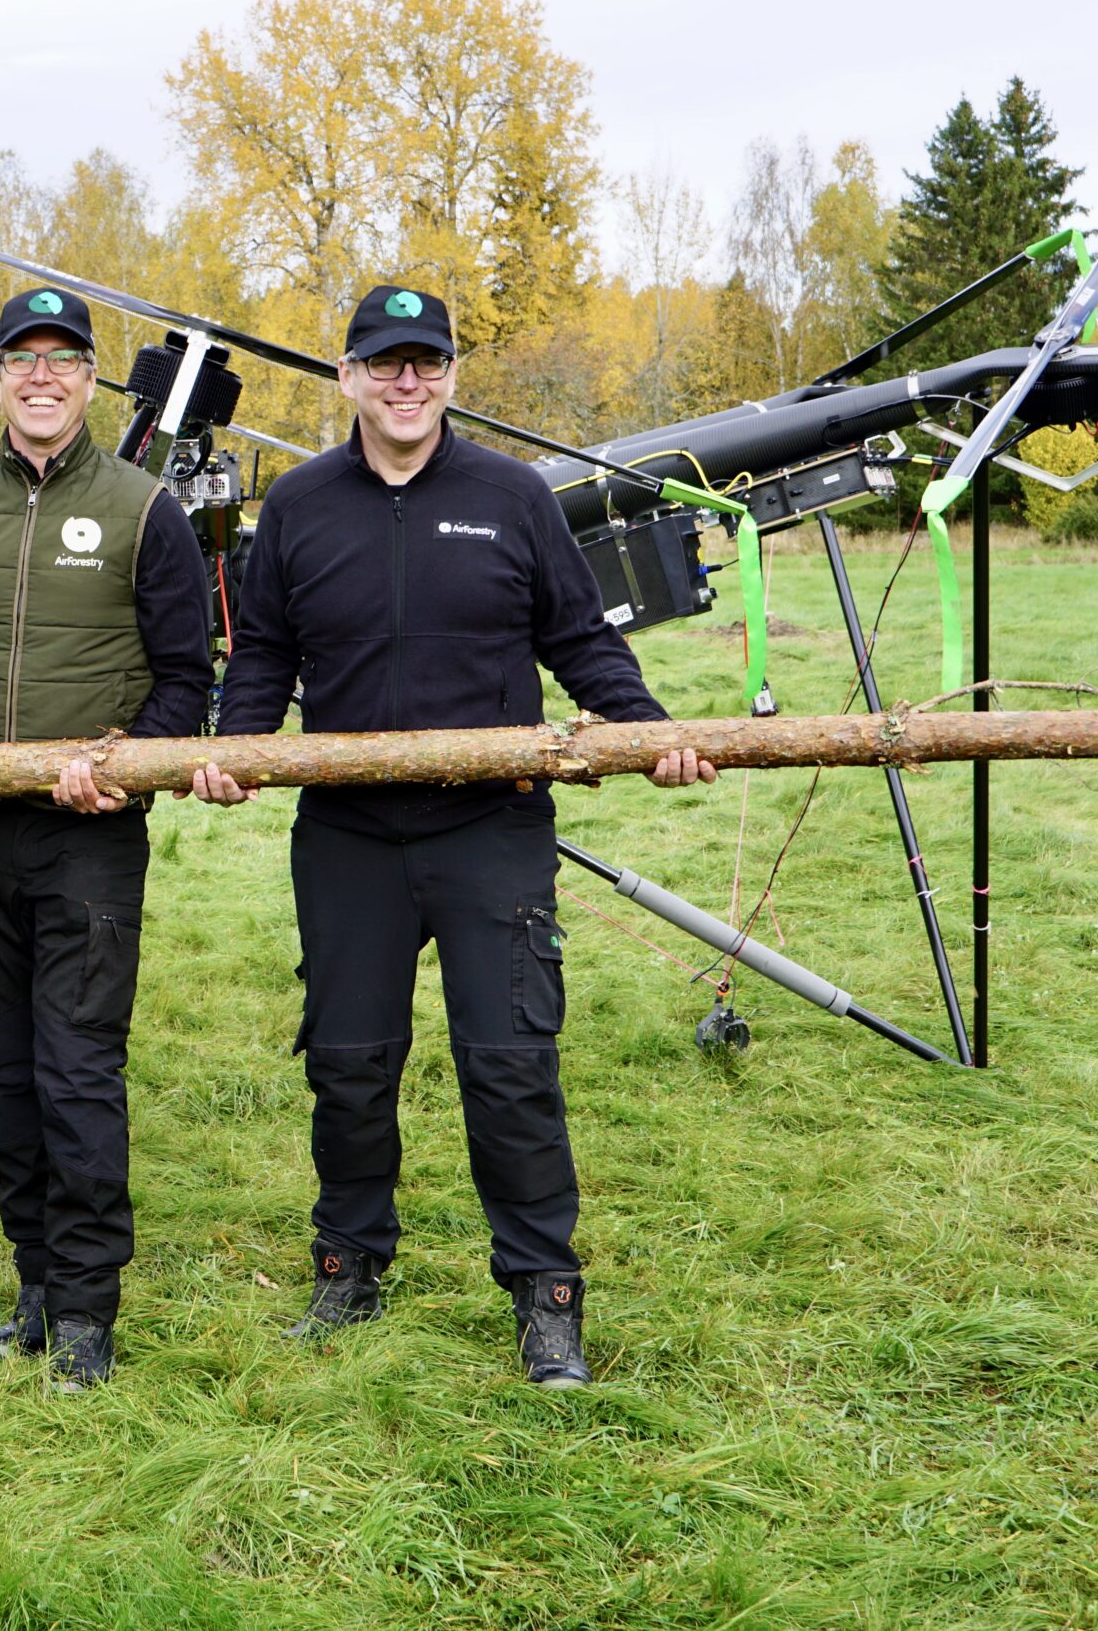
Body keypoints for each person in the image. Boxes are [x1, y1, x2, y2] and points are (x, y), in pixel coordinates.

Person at [188, 286, 715, 1388]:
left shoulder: (512, 496)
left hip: (493, 828)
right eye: (385, 364)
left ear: (451, 377)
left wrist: (648, 732)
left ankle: (544, 1296)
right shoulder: (296, 503)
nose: (407, 382)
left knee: (511, 1064)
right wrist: (236, 749)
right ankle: (348, 1267)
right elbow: (265, 654)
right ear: (347, 377)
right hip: (347, 838)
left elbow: (577, 634)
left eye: (426, 362)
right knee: (346, 1065)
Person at [0, 285, 212, 1391]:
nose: (41, 377)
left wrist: (120, 772)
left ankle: (86, 1309)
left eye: (63, 360)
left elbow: (187, 683)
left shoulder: (144, 511)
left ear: (89, 382)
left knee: (77, 1070)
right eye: (21, 359)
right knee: (7, 1069)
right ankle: (31, 1282)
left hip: (87, 842)